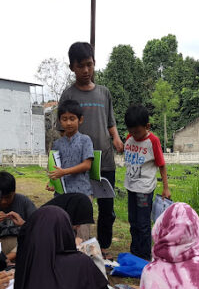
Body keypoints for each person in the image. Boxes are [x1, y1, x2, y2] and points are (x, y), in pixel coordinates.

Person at [59, 42, 124, 259]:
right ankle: (76, 247)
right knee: (79, 208)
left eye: (89, 65)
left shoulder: (104, 93)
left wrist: (116, 138)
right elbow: (62, 132)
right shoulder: (68, 95)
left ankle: (104, 249)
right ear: (72, 68)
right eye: (80, 66)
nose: (86, 71)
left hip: (104, 160)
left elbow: (110, 122)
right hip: (79, 166)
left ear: (94, 64)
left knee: (107, 209)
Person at [123, 105, 170, 261]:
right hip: (131, 186)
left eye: (137, 131)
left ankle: (144, 257)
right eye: (131, 131)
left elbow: (161, 165)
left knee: (143, 223)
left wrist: (165, 187)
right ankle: (135, 251)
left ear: (147, 126)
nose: (134, 135)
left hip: (144, 189)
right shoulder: (129, 139)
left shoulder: (153, 141)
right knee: (133, 221)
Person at [49, 99, 94, 196]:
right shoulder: (57, 144)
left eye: (72, 119)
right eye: (64, 119)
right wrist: (52, 183)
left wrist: (64, 172)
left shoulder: (85, 140)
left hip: (82, 192)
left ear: (80, 120)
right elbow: (53, 167)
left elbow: (87, 165)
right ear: (60, 121)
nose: (68, 123)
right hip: (62, 193)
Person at [0, 171, 37, 255]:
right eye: (0, 198)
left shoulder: (24, 202)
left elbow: (38, 229)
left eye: (8, 197)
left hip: (18, 243)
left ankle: (8, 258)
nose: (3, 202)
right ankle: (2, 260)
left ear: (14, 192)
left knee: (31, 244)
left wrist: (23, 224)